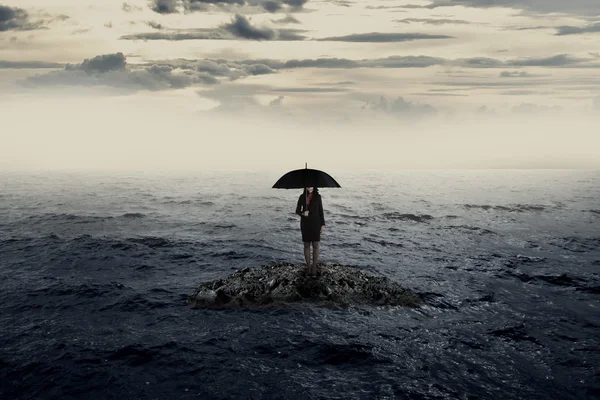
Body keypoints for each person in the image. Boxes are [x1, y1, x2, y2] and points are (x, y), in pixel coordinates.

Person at [295, 186, 325, 277]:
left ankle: (314, 268)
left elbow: (321, 211)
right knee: (306, 245)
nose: (309, 186)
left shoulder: (318, 197)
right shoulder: (302, 197)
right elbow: (297, 210)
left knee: (315, 244)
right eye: (307, 184)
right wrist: (302, 213)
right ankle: (308, 267)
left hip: (316, 223)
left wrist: (322, 224)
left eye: (311, 184)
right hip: (305, 224)